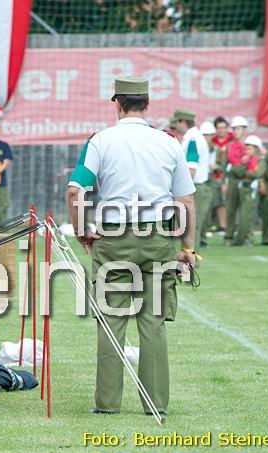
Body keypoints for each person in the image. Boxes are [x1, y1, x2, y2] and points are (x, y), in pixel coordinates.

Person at [66, 76, 195, 417]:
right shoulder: (168, 142)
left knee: (111, 321)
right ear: (147, 104)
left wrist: (81, 230)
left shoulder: (100, 141)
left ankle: (108, 403)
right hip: (158, 239)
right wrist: (188, 248)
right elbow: (185, 200)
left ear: (117, 103)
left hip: (114, 239)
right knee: (153, 322)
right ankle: (156, 404)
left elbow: (75, 191)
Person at [173, 109, 211, 248]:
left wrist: (180, 189)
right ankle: (192, 254)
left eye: (176, 122)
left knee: (191, 225)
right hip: (197, 186)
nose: (175, 126)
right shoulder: (195, 137)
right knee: (192, 224)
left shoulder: (192, 139)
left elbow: (191, 168)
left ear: (182, 122)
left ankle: (191, 255)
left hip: (194, 187)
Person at [231, 135, 263, 247]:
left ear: (256, 149)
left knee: (247, 216)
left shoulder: (260, 161)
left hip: (252, 190)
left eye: (249, 148)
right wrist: (244, 166)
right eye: (246, 148)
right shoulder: (244, 160)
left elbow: (257, 174)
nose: (247, 151)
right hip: (243, 188)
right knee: (243, 215)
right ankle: (246, 239)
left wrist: (246, 172)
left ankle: (247, 239)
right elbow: (237, 172)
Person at [224, 116, 248, 242]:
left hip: (247, 180)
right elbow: (224, 165)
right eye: (234, 129)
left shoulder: (250, 144)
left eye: (238, 129)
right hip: (233, 179)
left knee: (246, 210)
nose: (236, 131)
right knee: (231, 209)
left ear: (244, 130)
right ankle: (229, 235)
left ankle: (245, 236)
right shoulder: (229, 146)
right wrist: (223, 183)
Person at [209, 116, 231, 232]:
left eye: (224, 127)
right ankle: (221, 225)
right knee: (217, 201)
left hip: (229, 176)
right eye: (219, 128)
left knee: (228, 201)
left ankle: (229, 225)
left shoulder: (232, 141)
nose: (222, 130)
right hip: (215, 176)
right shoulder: (212, 142)